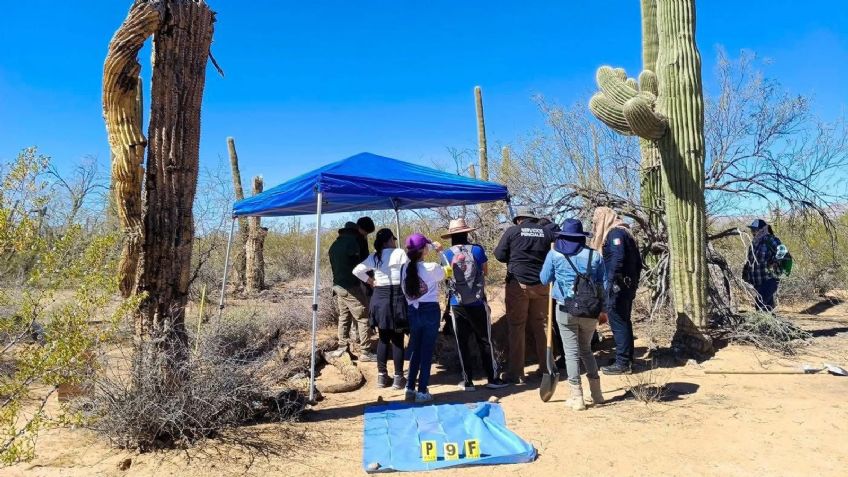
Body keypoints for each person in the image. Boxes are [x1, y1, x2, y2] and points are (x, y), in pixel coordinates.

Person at [540, 219, 606, 410]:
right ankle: (597, 394)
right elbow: (603, 284)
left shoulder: (555, 254)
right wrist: (603, 310)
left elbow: (544, 278)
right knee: (586, 349)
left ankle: (577, 397)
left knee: (571, 352)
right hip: (590, 309)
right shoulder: (594, 255)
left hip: (565, 308)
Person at [441, 218, 510, 391]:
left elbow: (446, 278)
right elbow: (484, 272)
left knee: (462, 342)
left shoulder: (446, 254)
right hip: (478, 301)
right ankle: (493, 378)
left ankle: (468, 381)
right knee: (485, 340)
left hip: (458, 303)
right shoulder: (478, 250)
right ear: (467, 233)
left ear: (451, 236)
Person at [494, 206, 555, 384]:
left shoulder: (513, 232)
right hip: (542, 285)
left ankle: (516, 373)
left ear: (519, 219)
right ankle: (546, 368)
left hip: (518, 285)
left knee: (516, 326)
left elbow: (499, 255)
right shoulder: (546, 233)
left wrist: (515, 257)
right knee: (542, 325)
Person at [353, 228, 409, 389]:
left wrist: (371, 281)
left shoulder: (375, 256)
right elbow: (408, 269)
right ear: (389, 240)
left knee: (384, 338)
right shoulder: (399, 253)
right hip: (397, 296)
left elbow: (356, 270)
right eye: (393, 238)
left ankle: (382, 377)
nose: (395, 241)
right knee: (398, 340)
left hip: (379, 298)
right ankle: (398, 378)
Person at [591, 207, 642, 375]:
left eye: (597, 220)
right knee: (623, 321)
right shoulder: (626, 232)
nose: (595, 224)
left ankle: (623, 363)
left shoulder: (615, 234)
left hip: (617, 287)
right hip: (625, 285)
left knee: (618, 321)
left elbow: (617, 259)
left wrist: (610, 282)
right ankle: (626, 358)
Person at [400, 233, 448, 403]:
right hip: (430, 310)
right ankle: (422, 391)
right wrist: (441, 252)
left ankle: (410, 387)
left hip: (412, 310)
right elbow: (448, 271)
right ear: (424, 250)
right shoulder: (432, 267)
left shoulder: (404, 269)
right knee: (427, 351)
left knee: (416, 350)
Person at [328, 222, 376, 361]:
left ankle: (342, 348)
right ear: (356, 231)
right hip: (350, 286)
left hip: (338, 285)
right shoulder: (353, 243)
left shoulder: (335, 244)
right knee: (363, 316)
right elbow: (360, 264)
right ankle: (366, 352)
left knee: (344, 316)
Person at [742, 219, 785, 313]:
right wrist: (746, 273)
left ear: (762, 230)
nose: (753, 232)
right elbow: (750, 260)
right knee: (767, 307)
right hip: (757, 282)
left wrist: (774, 262)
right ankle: (770, 326)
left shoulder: (771, 239)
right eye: (752, 230)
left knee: (760, 303)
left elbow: (782, 250)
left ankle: (763, 325)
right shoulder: (754, 243)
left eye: (755, 229)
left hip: (770, 278)